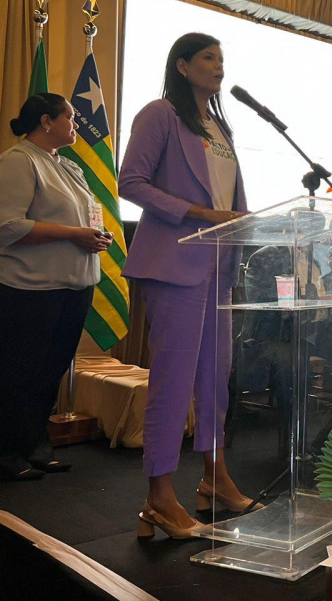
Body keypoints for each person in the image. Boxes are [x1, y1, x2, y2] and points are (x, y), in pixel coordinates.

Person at [120, 33, 252, 538]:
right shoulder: (160, 115)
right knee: (173, 380)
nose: (219, 66)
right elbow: (131, 182)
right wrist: (198, 213)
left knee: (216, 379)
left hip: (218, 266)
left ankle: (215, 477)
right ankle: (159, 495)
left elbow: (230, 196)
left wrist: (241, 228)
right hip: (175, 264)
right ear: (182, 65)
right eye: (208, 57)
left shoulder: (219, 126)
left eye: (222, 58)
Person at [0, 93, 110, 481]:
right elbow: (7, 226)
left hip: (76, 285)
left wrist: (96, 235)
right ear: (46, 121)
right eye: (70, 117)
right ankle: (6, 452)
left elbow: (87, 218)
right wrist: (74, 234)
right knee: (18, 371)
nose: (76, 124)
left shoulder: (70, 167)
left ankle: (35, 444)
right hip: (30, 288)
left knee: (50, 370)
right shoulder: (19, 160)